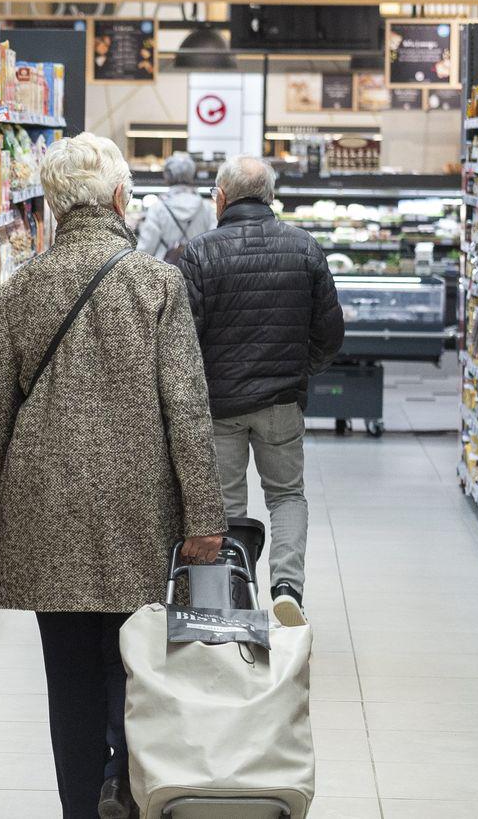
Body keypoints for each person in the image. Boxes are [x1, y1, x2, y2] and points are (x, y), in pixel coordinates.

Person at [0, 132, 227, 819]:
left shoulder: (17, 289)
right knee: (138, 663)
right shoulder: (157, 284)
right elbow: (188, 411)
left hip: (45, 504)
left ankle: (82, 803)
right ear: (118, 198)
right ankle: (131, 786)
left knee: (69, 677)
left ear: (53, 207)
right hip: (138, 505)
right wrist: (205, 517)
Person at [176, 155, 345, 628]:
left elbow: (184, 339)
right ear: (270, 197)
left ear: (221, 198)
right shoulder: (305, 247)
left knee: (225, 505)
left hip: (219, 406)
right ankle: (287, 586)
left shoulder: (200, 253)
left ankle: (227, 599)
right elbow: (330, 334)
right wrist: (296, 371)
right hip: (281, 404)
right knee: (287, 495)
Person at [135, 152, 215, 262]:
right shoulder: (206, 207)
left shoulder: (158, 208)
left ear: (167, 177)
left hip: (164, 270)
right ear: (191, 175)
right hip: (198, 269)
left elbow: (146, 248)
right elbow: (212, 245)